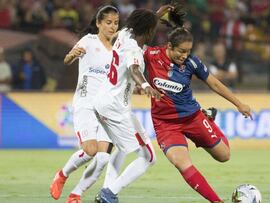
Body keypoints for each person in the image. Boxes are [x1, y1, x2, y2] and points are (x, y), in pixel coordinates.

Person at [144, 27, 252, 203]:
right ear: (169, 46)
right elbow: (129, 46)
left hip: (192, 117)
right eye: (181, 51)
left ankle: (208, 117)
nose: (185, 56)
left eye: (188, 51)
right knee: (181, 163)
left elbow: (215, 84)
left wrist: (239, 104)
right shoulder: (151, 54)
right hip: (165, 124)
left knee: (224, 156)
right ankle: (217, 201)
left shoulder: (192, 63)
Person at [93, 7, 170, 203]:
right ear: (150, 30)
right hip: (115, 107)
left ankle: (106, 191)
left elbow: (143, 21)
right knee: (148, 157)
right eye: (154, 27)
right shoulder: (134, 48)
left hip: (104, 100)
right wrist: (145, 85)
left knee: (121, 147)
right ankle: (108, 194)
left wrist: (159, 13)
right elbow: (134, 68)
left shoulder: (126, 33)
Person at [50, 5, 121, 203]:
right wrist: (72, 56)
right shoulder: (89, 41)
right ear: (98, 23)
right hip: (86, 103)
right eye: (108, 23)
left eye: (116, 23)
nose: (112, 27)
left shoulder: (118, 48)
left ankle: (76, 194)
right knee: (90, 151)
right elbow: (67, 59)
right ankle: (62, 174)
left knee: (103, 158)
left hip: (107, 108)